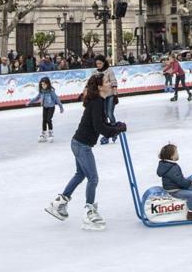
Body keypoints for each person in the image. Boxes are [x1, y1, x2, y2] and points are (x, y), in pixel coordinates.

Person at [46, 73, 126, 230]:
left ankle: (58, 204)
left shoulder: (98, 102)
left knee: (80, 174)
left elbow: (101, 124)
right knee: (93, 178)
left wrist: (116, 126)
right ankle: (90, 212)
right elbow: (100, 127)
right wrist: (115, 130)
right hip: (81, 145)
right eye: (106, 82)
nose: (110, 83)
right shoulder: (97, 103)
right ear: (99, 87)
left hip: (78, 143)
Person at [158, 143, 192, 221]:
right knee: (190, 194)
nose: (178, 154)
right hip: (174, 191)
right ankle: (191, 214)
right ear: (171, 156)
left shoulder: (164, 164)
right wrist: (191, 182)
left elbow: (178, 179)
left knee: (189, 188)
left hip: (171, 187)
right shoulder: (172, 167)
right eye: (176, 153)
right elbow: (180, 181)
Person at [28, 76, 64, 142]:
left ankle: (50, 134)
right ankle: (44, 134)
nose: (43, 86)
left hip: (51, 107)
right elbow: (37, 98)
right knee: (44, 120)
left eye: (44, 84)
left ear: (48, 84)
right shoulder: (41, 91)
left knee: (48, 119)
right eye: (42, 84)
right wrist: (30, 102)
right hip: (45, 107)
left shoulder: (51, 91)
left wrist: (61, 107)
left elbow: (56, 99)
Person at [93, 55, 119, 145]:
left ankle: (114, 131)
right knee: (104, 116)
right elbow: (92, 84)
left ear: (104, 63)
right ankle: (107, 134)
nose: (98, 65)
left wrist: (115, 95)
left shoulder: (109, 71)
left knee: (109, 113)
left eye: (100, 63)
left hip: (110, 95)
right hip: (101, 96)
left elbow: (114, 82)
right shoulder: (95, 72)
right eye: (97, 64)